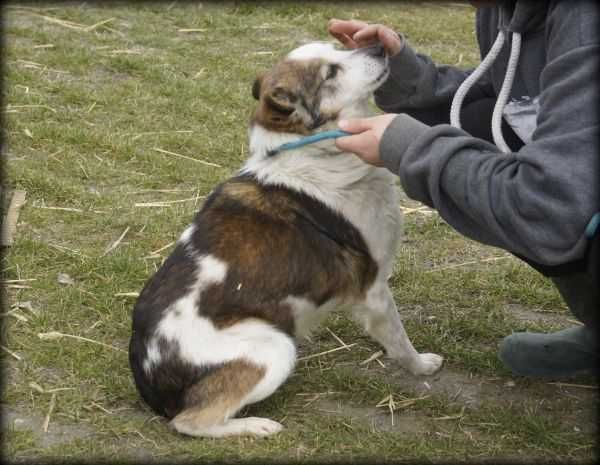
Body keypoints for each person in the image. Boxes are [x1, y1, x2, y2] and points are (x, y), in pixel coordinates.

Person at [328, 0, 599, 378]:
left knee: (544, 206)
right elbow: (511, 96)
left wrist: (411, 148)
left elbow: (552, 207)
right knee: (483, 129)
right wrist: (406, 76)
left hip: (568, 200)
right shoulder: (499, 8)